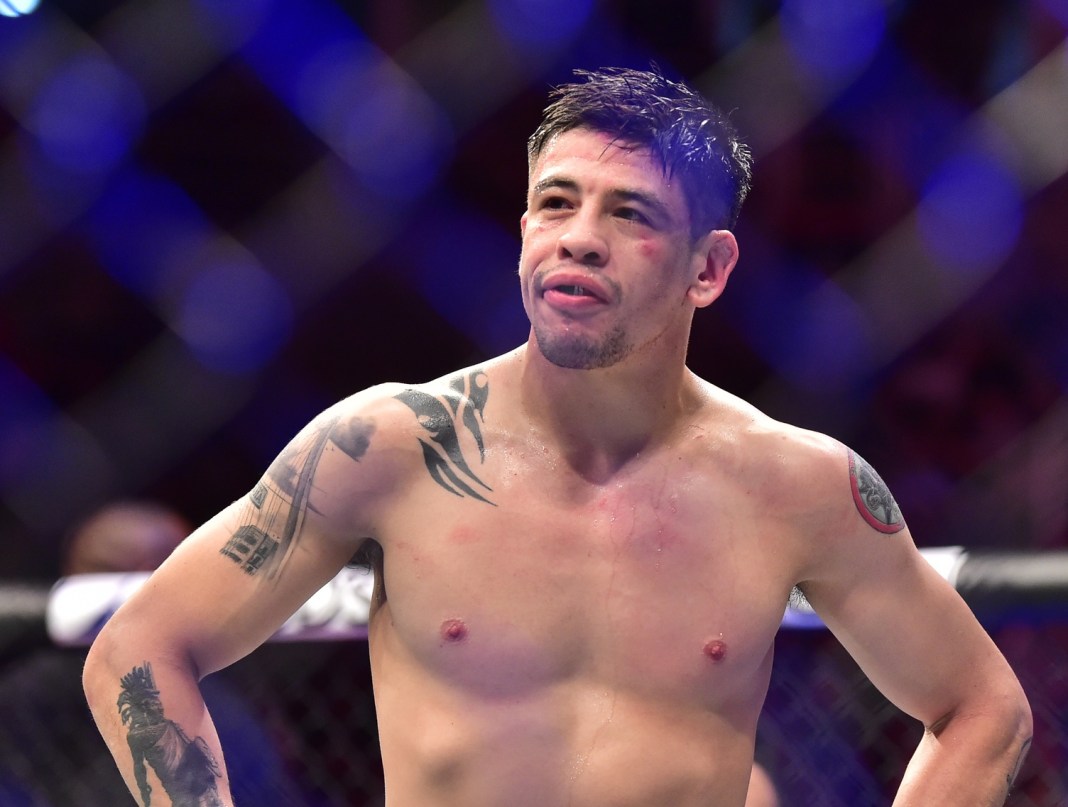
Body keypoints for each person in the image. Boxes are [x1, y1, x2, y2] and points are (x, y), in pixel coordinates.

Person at [84, 67, 1031, 806]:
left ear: (709, 268)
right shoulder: (390, 444)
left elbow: (982, 708)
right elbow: (139, 647)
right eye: (556, 201)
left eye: (630, 214)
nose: (578, 237)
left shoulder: (800, 485)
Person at [0, 501, 304, 806]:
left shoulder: (220, 653)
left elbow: (281, 749)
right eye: (180, 561)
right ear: (149, 572)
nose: (199, 575)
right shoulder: (40, 690)